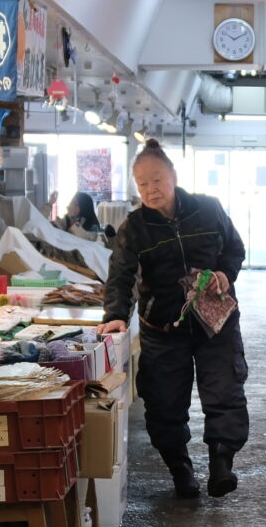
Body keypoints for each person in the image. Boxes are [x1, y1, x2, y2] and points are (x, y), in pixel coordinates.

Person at [100, 143, 248, 499]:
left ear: (174, 177)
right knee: (164, 402)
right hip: (162, 329)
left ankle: (221, 463)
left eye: (157, 180)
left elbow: (234, 248)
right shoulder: (134, 227)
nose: (151, 189)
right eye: (142, 184)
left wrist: (224, 275)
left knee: (225, 391)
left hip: (216, 324)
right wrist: (116, 316)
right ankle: (180, 468)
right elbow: (120, 276)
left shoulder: (208, 209)